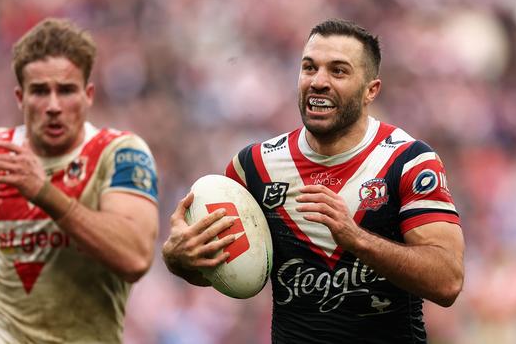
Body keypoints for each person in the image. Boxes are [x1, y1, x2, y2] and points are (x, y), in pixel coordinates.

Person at [162, 19, 464, 343]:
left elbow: (447, 281)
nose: (318, 82)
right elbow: (228, 266)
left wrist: (356, 239)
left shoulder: (408, 161)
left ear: (370, 90)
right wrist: (180, 260)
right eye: (309, 68)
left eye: (338, 71)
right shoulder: (255, 166)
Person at [0, 18, 159, 343]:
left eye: (66, 90)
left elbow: (135, 258)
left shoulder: (121, 153)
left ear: (88, 95)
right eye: (40, 91)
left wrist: (44, 193)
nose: (53, 106)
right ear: (19, 97)